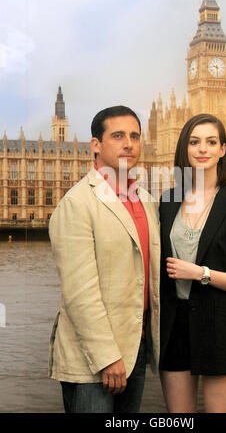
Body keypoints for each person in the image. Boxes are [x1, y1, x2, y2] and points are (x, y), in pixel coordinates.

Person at [48, 105, 160, 413]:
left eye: (135, 136)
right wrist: (107, 357)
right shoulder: (77, 203)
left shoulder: (147, 201)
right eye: (118, 135)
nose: (128, 143)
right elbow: (79, 293)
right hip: (94, 360)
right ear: (96, 145)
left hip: (136, 350)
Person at [159, 113, 226, 413]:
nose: (202, 148)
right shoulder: (169, 202)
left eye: (211, 141)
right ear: (185, 148)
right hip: (174, 326)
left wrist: (201, 273)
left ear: (223, 149)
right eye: (194, 142)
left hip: (222, 327)